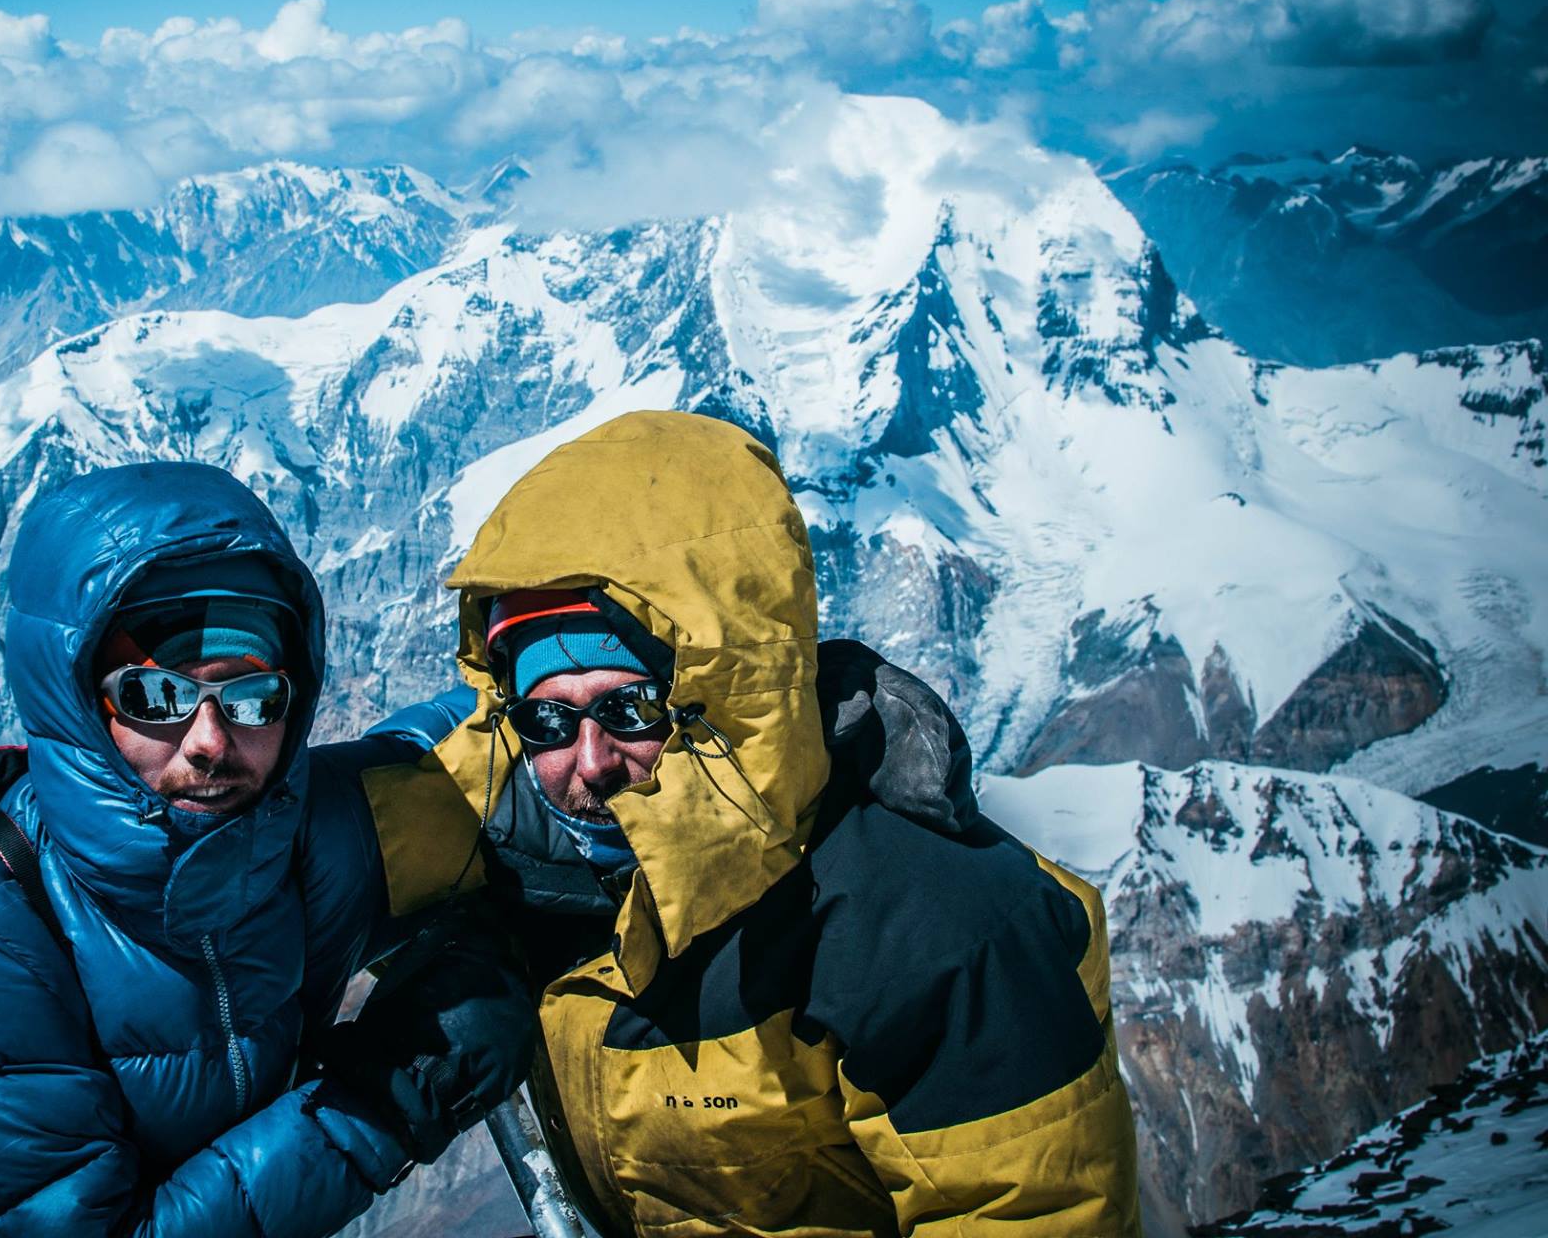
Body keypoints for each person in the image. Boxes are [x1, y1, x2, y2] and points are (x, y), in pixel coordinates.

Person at [358, 411, 1143, 1237]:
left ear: (723, 698)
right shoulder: (529, 857)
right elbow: (305, 841)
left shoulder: (935, 928)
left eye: (630, 709)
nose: (587, 761)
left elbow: (1034, 1214)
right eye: (547, 721)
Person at [0, 462, 531, 1237]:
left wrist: (595, 686)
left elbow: (470, 752)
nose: (212, 743)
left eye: (254, 696)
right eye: (157, 698)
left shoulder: (302, 831)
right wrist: (390, 1094)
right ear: (79, 700)